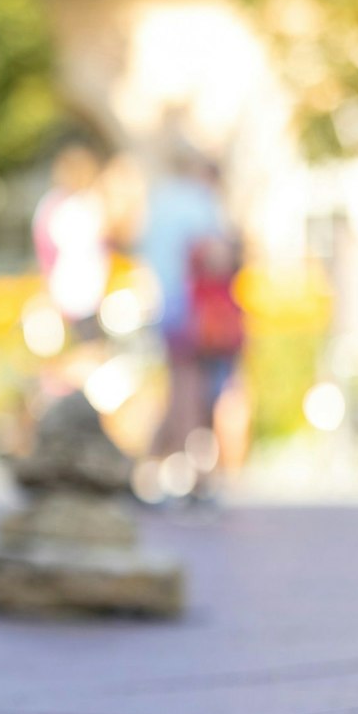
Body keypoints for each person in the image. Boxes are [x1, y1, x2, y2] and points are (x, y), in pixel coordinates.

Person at [143, 149, 234, 483]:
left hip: (164, 306)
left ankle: (154, 462)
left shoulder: (161, 202)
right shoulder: (199, 204)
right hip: (194, 310)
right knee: (190, 388)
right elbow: (213, 255)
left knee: (180, 384)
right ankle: (188, 469)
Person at [31, 144, 111, 334]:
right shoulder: (88, 205)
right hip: (86, 290)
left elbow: (44, 252)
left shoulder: (52, 205)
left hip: (66, 289)